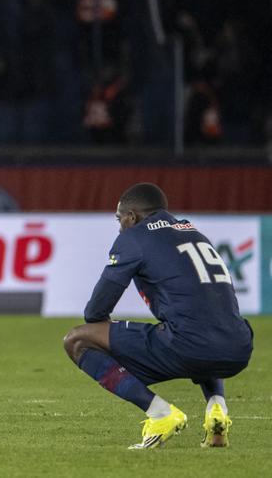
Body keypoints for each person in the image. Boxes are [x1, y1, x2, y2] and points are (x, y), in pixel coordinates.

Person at [63, 183, 253, 449]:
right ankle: (217, 409)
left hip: (191, 344)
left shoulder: (134, 237)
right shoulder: (194, 232)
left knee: (77, 340)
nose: (119, 227)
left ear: (132, 216)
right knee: (199, 327)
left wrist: (109, 334)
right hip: (239, 346)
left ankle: (160, 414)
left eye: (120, 219)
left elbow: (95, 311)